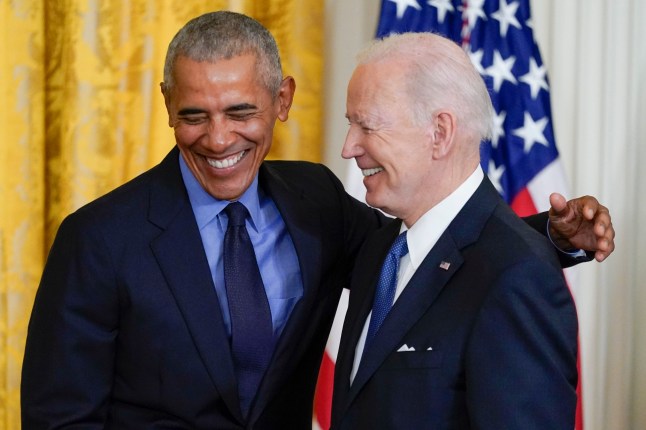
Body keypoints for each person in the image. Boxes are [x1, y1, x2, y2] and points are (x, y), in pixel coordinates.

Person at [21, 11, 613, 430]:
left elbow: (430, 250)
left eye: (242, 111)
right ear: (168, 106)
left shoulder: (317, 202)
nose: (219, 138)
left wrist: (547, 239)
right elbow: (60, 418)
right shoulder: (97, 239)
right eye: (194, 115)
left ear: (282, 101)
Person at [331, 32, 584, 429]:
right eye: (351, 125)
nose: (349, 148)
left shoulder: (518, 277)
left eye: (368, 126)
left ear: (440, 132)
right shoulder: (380, 249)